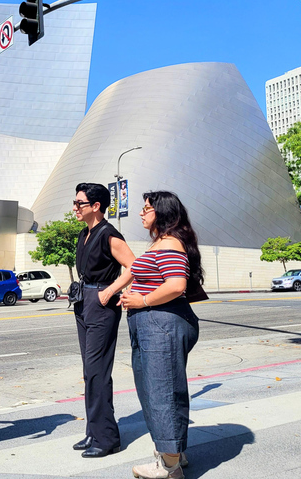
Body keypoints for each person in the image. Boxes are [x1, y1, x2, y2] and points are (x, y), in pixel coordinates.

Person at [116, 191, 203, 479]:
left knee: (163, 392)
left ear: (162, 213)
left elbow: (176, 284)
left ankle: (169, 466)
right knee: (155, 390)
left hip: (161, 325)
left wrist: (142, 300)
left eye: (147, 209)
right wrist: (134, 293)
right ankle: (173, 454)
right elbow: (157, 279)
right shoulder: (161, 243)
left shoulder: (170, 243)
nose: (141, 213)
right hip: (153, 325)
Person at [71, 183, 135, 458]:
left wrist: (110, 291)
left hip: (101, 304)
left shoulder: (109, 234)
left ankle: (106, 439)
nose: (75, 208)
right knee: (90, 373)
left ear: (96, 206)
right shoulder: (85, 234)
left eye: (79, 203)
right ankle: (94, 431)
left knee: (97, 371)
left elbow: (135, 266)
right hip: (83, 303)